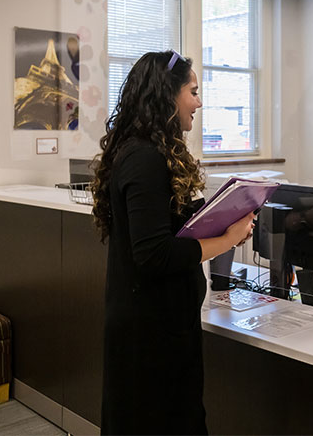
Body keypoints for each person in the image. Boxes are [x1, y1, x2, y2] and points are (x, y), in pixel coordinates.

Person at [91, 50, 254, 434]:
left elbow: (166, 223)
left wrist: (219, 213)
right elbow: (153, 253)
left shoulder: (143, 152)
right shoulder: (144, 158)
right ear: (167, 94)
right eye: (193, 91)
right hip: (150, 335)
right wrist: (226, 239)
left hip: (158, 326)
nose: (199, 102)